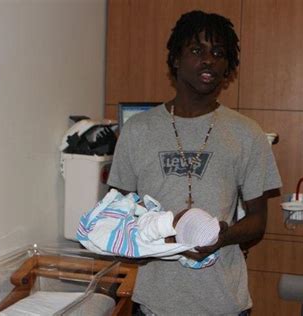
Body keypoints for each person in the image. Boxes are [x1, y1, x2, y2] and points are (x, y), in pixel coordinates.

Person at [108, 10, 282, 315]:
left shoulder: (247, 133)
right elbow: (117, 214)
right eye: (196, 50)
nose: (209, 60)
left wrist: (221, 236)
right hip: (154, 304)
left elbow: (258, 221)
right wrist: (161, 232)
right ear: (176, 59)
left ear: (228, 67)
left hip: (224, 303)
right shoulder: (138, 131)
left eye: (218, 53)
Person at [77, 189, 221, 269]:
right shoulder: (178, 251)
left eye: (180, 217)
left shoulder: (157, 229)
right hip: (138, 227)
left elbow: (141, 234)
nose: (180, 212)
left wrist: (133, 206)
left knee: (117, 213)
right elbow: (187, 257)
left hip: (128, 231)